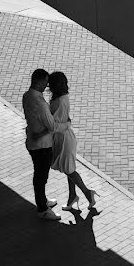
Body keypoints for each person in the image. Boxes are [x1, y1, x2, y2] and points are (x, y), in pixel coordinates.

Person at [47, 71, 99, 213]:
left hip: (63, 139)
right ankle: (72, 196)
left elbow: (53, 124)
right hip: (64, 137)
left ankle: (88, 194)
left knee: (69, 170)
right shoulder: (63, 97)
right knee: (68, 168)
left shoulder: (59, 101)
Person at [23, 69, 70, 221]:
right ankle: (42, 209)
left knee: (39, 174)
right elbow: (52, 126)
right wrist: (66, 125)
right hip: (42, 146)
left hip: (32, 141)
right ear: (40, 81)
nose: (47, 85)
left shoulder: (27, 96)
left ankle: (42, 201)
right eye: (45, 82)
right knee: (41, 176)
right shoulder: (41, 104)